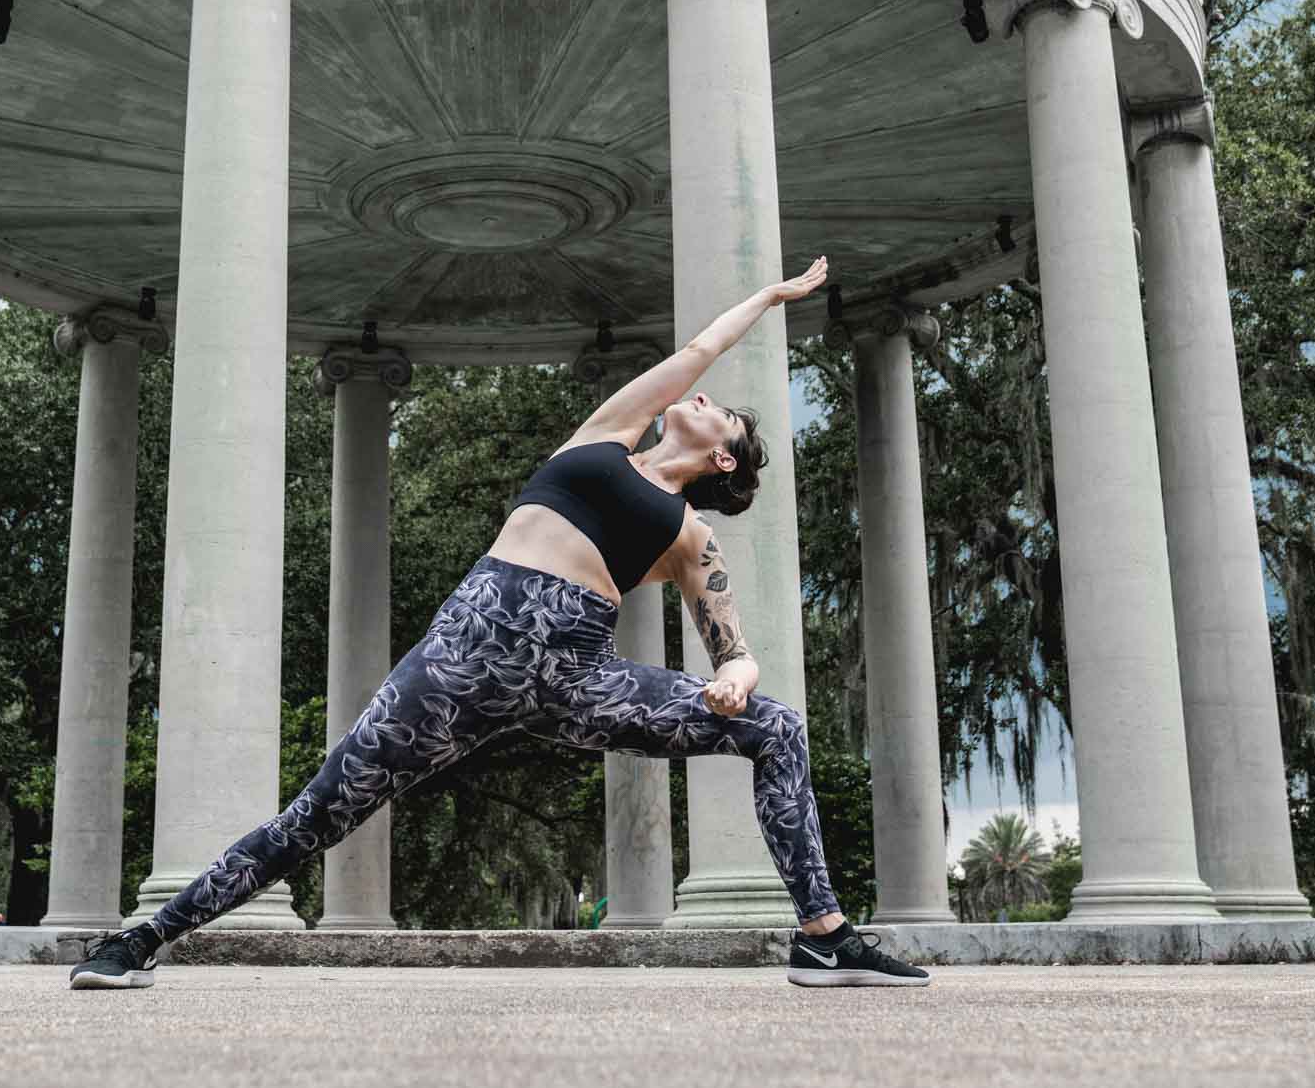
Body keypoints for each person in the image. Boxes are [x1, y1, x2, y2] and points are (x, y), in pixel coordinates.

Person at [70, 256, 930, 991]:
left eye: (722, 414)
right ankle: (143, 939)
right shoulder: (606, 434)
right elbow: (696, 348)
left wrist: (738, 678)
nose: (703, 397)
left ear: (723, 456)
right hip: (453, 665)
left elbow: (731, 648)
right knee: (318, 814)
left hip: (577, 679)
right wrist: (769, 299)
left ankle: (825, 939)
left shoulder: (690, 535)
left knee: (775, 727)